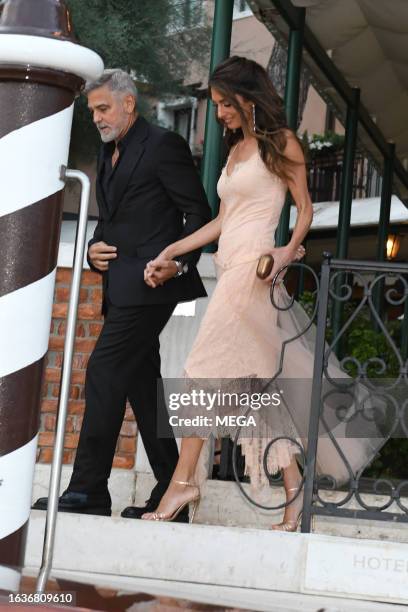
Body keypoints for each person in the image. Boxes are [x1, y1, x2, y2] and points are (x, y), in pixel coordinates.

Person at [141, 56, 312, 530]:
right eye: (215, 104)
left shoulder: (282, 143)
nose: (219, 113)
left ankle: (182, 482)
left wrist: (286, 251)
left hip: (254, 273)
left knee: (200, 369)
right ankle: (297, 494)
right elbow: (221, 221)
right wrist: (172, 248)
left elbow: (304, 209)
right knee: (258, 390)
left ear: (246, 96)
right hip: (230, 262)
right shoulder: (237, 150)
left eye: (222, 103)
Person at [33, 69, 211, 521]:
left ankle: (88, 491)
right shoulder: (108, 150)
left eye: (103, 108)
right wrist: (94, 248)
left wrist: (178, 262)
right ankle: (175, 491)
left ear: (128, 103)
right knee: (142, 389)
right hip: (119, 288)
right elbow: (112, 220)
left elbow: (199, 215)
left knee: (103, 371)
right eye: (92, 110)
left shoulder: (164, 146)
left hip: (154, 287)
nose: (96, 117)